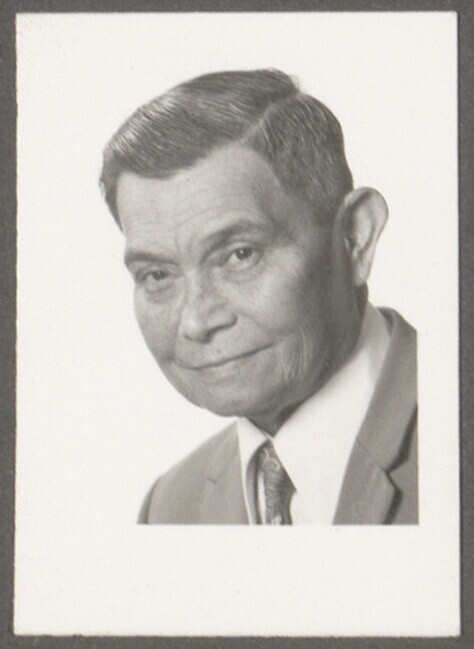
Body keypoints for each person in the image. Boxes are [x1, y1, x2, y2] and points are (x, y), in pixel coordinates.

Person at [100, 69, 417, 525]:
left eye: (239, 255)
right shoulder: (169, 507)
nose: (196, 321)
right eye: (157, 275)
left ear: (355, 237)